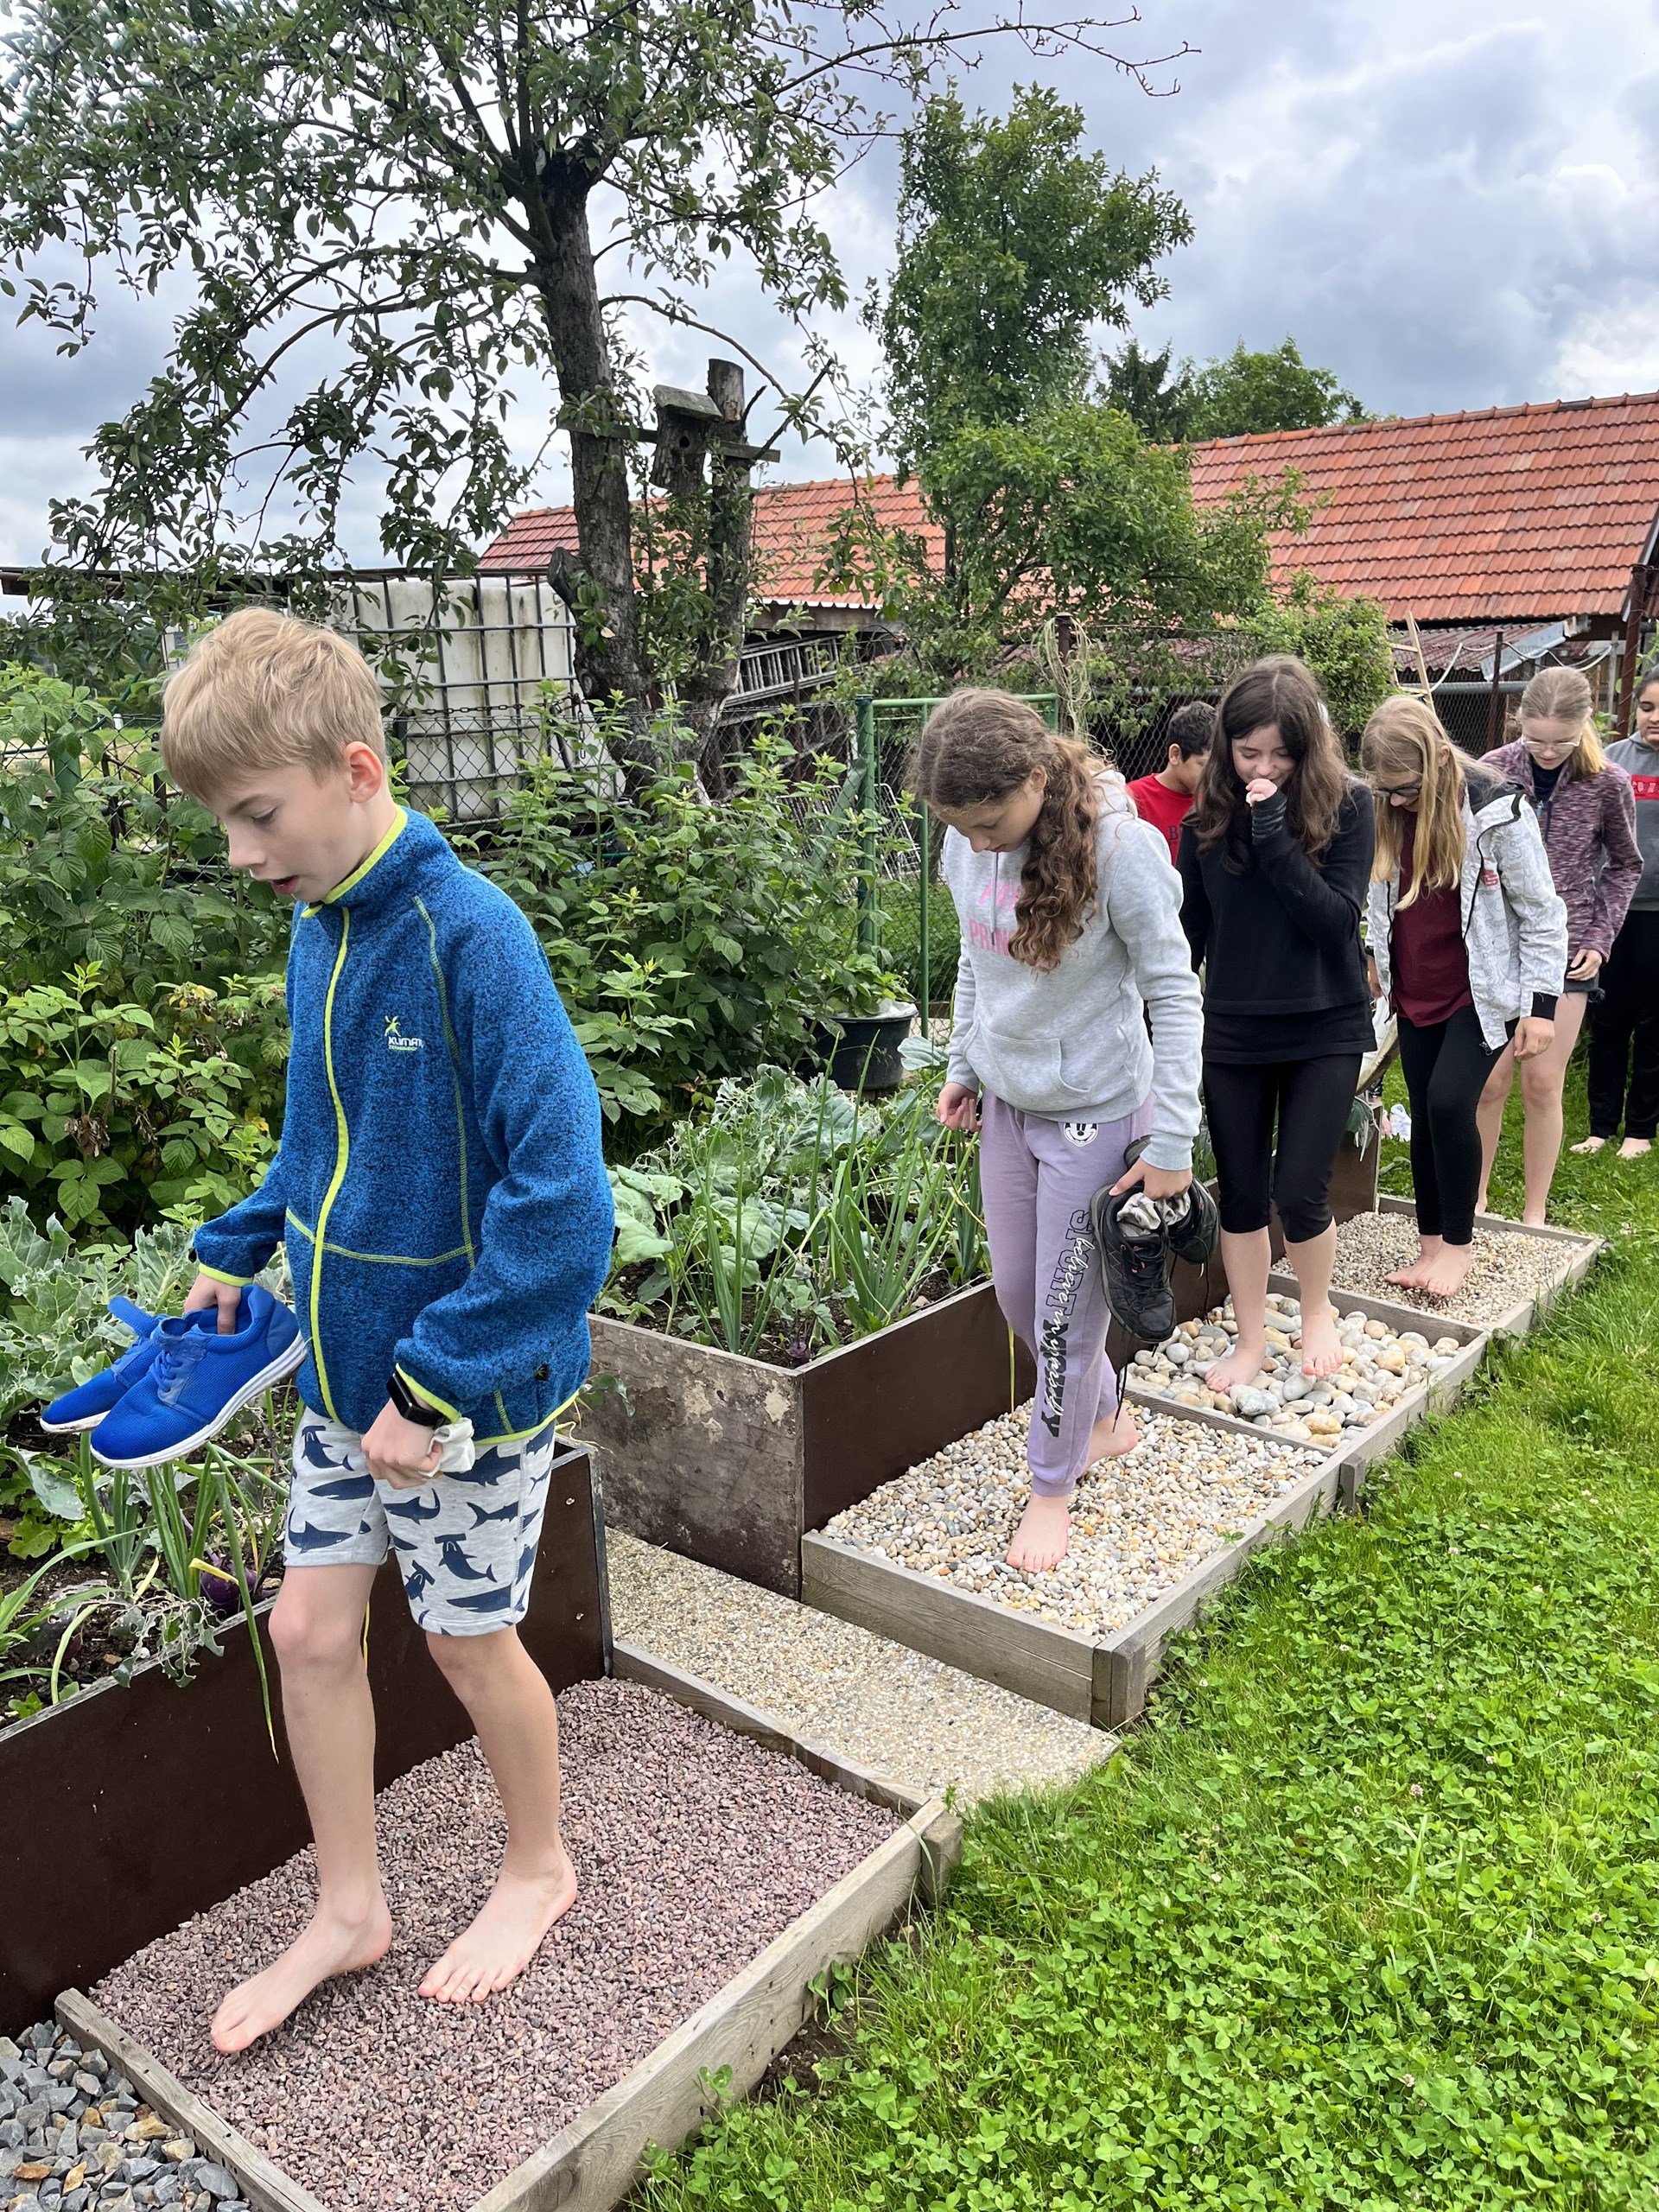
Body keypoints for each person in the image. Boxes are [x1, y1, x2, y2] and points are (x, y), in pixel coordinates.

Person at [163, 608, 613, 2052]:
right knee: (305, 1629)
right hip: (344, 1382)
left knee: (470, 1642)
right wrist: (243, 1239)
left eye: (256, 815)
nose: (241, 852)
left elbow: (566, 1203)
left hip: (457, 1394)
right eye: (226, 823)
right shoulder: (324, 929)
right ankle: (350, 1908)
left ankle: (539, 1867)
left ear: (356, 771)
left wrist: (438, 1384)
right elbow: (321, 1140)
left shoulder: (472, 936)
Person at [914, 689, 1203, 1574]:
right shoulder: (967, 844)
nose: (976, 846)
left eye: (989, 824)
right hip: (1010, 1105)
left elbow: (1174, 993)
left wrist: (1173, 1144)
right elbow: (975, 960)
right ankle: (1104, 1414)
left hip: (1094, 1114)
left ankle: (1052, 1486)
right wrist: (964, 1064)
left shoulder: (1122, 850)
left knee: (1061, 1323)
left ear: (1037, 780)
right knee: (1017, 1297)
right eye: (959, 829)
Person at [1177, 656, 1375, 1393]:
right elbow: (1188, 938)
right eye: (1248, 752)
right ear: (1225, 746)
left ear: (1307, 748)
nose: (1263, 768)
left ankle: (1317, 1311)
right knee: (1241, 1191)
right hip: (1233, 1028)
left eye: (1281, 754)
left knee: (1300, 1190)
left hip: (1325, 1023)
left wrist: (1274, 835)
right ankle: (1252, 1338)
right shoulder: (1202, 823)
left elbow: (1335, 924)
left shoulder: (1349, 808)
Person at [1362, 696, 1567, 1297]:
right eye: (1384, 791)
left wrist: (1541, 1008)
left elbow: (1543, 914)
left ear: (1434, 763)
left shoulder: (1497, 811)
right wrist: (1375, 955)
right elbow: (1380, 893)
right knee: (1426, 1114)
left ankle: (1458, 1246)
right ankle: (1429, 1245)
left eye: (1404, 789)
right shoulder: (1388, 811)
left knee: (1451, 1104)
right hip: (1414, 988)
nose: (1394, 802)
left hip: (1480, 992)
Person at [1474, 666, 1640, 1219]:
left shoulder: (1610, 782)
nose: (1547, 752)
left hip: (1569, 950)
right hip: (1497, 947)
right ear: (1518, 721)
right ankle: (1473, 1201)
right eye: (1535, 739)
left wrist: (1600, 935)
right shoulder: (1490, 771)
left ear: (1586, 724)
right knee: (1490, 1082)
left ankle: (1535, 1213)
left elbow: (1625, 865)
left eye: (1562, 742)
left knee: (1543, 1083)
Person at [1577, 669, 1659, 1159]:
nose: (1655, 718)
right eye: (1648, 708)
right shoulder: (1611, 763)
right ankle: (1600, 1126)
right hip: (1610, 912)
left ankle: (1641, 1130)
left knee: (1653, 1024)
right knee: (1607, 1021)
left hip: (1657, 914)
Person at [1127, 700, 1214, 861]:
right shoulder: (1134, 798)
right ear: (1175, 755)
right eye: (1203, 765)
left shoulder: (1213, 800)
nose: (1212, 775)